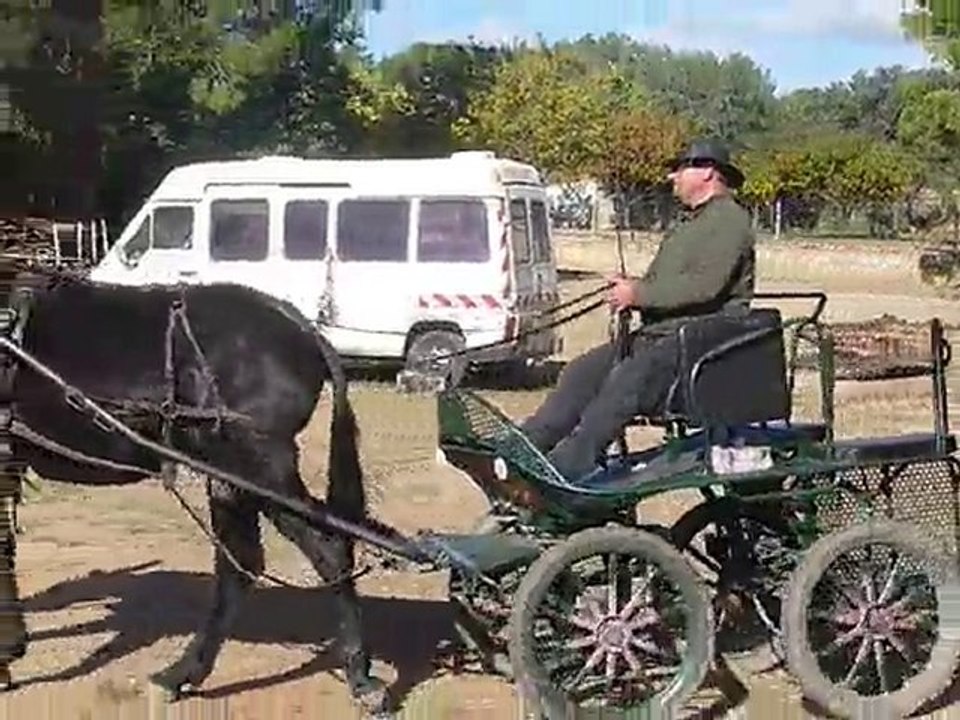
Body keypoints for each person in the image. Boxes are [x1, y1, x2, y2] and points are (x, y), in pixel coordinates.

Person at [520, 138, 757, 481]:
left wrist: (638, 293)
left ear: (707, 171)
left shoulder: (729, 220)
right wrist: (632, 287)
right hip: (661, 335)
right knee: (582, 372)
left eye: (680, 168)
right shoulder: (691, 222)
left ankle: (566, 470)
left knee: (626, 383)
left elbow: (705, 285)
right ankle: (526, 450)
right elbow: (672, 282)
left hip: (701, 341)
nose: (671, 177)